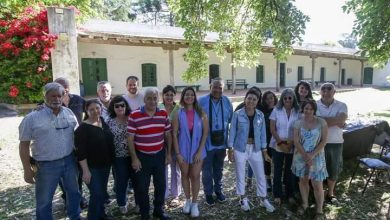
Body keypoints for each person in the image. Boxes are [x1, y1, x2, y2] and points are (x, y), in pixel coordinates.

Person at [18, 82, 81, 220]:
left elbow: (78, 135)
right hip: (46, 165)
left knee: (74, 193)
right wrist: (27, 169)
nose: (57, 99)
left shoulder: (69, 113)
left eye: (59, 95)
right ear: (45, 96)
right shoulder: (32, 118)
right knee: (44, 201)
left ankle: (75, 217)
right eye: (53, 96)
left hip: (69, 161)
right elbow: (24, 145)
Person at [127, 87, 172, 220]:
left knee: (161, 185)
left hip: (159, 155)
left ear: (158, 99)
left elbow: (168, 135)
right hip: (142, 157)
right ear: (144, 99)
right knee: (142, 187)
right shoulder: (135, 115)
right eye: (149, 98)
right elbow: (130, 138)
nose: (152, 101)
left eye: (154, 98)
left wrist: (168, 154)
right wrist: (134, 159)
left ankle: (158, 210)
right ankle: (145, 213)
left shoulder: (163, 114)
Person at [228, 89, 275, 213]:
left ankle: (263, 198)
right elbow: (232, 132)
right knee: (240, 174)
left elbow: (263, 134)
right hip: (240, 149)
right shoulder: (237, 114)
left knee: (260, 174)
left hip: (256, 149)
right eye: (249, 98)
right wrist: (230, 149)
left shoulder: (260, 115)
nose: (251, 101)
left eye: (254, 99)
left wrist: (264, 151)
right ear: (245, 99)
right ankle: (242, 198)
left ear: (257, 101)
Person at [75, 99, 114, 220]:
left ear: (101, 108)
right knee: (96, 194)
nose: (95, 111)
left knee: (101, 192)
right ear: (86, 111)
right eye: (91, 109)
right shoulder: (83, 128)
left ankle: (101, 215)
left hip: (105, 165)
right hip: (91, 167)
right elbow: (80, 152)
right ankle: (93, 217)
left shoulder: (102, 121)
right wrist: (85, 171)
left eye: (97, 108)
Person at [172, 87, 208, 217]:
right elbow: (174, 134)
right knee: (185, 175)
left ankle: (194, 203)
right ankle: (187, 201)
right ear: (183, 97)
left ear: (194, 97)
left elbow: (205, 134)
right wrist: (177, 154)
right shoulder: (178, 113)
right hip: (183, 150)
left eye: (191, 95)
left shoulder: (201, 113)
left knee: (195, 175)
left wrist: (199, 152)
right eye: (186, 95)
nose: (189, 97)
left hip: (198, 151)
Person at [53, 77, 88, 210]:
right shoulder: (52, 102)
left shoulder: (78, 100)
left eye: (66, 86)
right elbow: (40, 108)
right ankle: (69, 198)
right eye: (60, 87)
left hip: (77, 143)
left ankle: (77, 197)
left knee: (77, 173)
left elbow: (90, 108)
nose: (64, 89)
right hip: (59, 144)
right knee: (63, 175)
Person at [198, 77, 233, 205]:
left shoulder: (227, 101)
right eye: (215, 87)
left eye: (220, 87)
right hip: (207, 143)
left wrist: (230, 146)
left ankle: (218, 191)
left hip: (222, 142)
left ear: (223, 89)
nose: (217, 89)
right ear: (210, 87)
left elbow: (231, 120)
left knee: (219, 169)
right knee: (207, 170)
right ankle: (208, 193)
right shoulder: (201, 101)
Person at [292, 99, 328, 219]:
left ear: (314, 110)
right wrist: (305, 155)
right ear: (303, 109)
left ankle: (319, 210)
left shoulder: (321, 122)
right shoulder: (298, 123)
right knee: (303, 181)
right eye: (306, 108)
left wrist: (312, 155)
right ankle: (305, 204)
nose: (308, 111)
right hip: (300, 156)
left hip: (316, 157)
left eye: (311, 109)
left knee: (317, 184)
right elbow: (296, 141)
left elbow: (324, 140)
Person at [316, 83, 348, 204]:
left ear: (334, 92)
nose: (326, 91)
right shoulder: (315, 105)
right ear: (320, 92)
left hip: (335, 142)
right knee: (318, 169)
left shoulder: (342, 105)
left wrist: (323, 120)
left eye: (329, 89)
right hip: (318, 142)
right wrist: (337, 120)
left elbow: (342, 119)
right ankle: (319, 192)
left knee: (333, 169)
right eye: (323, 89)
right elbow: (315, 122)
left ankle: (330, 193)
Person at [106, 96, 138, 214]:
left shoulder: (133, 118)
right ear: (113, 108)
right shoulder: (109, 122)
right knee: (121, 182)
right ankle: (122, 204)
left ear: (126, 106)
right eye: (117, 106)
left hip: (134, 155)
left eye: (122, 105)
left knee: (137, 181)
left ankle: (139, 203)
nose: (120, 108)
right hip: (118, 157)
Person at [269, 88, 300, 206]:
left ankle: (290, 194)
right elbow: (272, 129)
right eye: (285, 98)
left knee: (290, 171)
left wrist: (290, 144)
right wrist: (281, 144)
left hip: (292, 145)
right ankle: (277, 195)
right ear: (282, 99)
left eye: (290, 98)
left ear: (293, 99)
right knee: (277, 170)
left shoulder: (297, 112)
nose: (287, 100)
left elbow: (297, 129)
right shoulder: (276, 110)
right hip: (278, 144)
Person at [159, 85, 182, 203]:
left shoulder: (178, 108)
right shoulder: (158, 107)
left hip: (175, 142)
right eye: (166, 94)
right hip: (160, 142)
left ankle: (175, 194)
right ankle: (163, 193)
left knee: (175, 168)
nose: (169, 97)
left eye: (171, 95)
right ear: (163, 96)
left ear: (174, 96)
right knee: (162, 169)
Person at [257, 91, 278, 191]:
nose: (269, 100)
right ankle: (268, 181)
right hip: (266, 139)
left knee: (277, 161)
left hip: (277, 139)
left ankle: (277, 181)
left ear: (274, 98)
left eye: (271, 98)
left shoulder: (279, 110)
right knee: (267, 161)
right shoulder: (262, 111)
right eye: (267, 98)